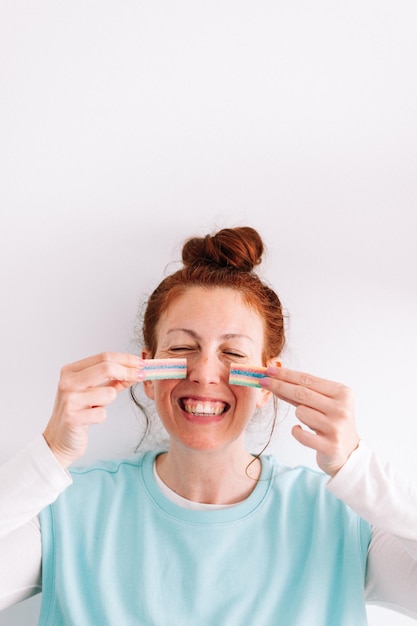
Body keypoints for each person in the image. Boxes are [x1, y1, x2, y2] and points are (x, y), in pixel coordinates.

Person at [0, 225, 416, 625]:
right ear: (146, 371)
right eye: (182, 348)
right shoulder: (69, 510)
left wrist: (359, 469)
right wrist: (49, 455)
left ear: (270, 382)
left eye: (233, 353)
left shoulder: (341, 517)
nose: (203, 373)